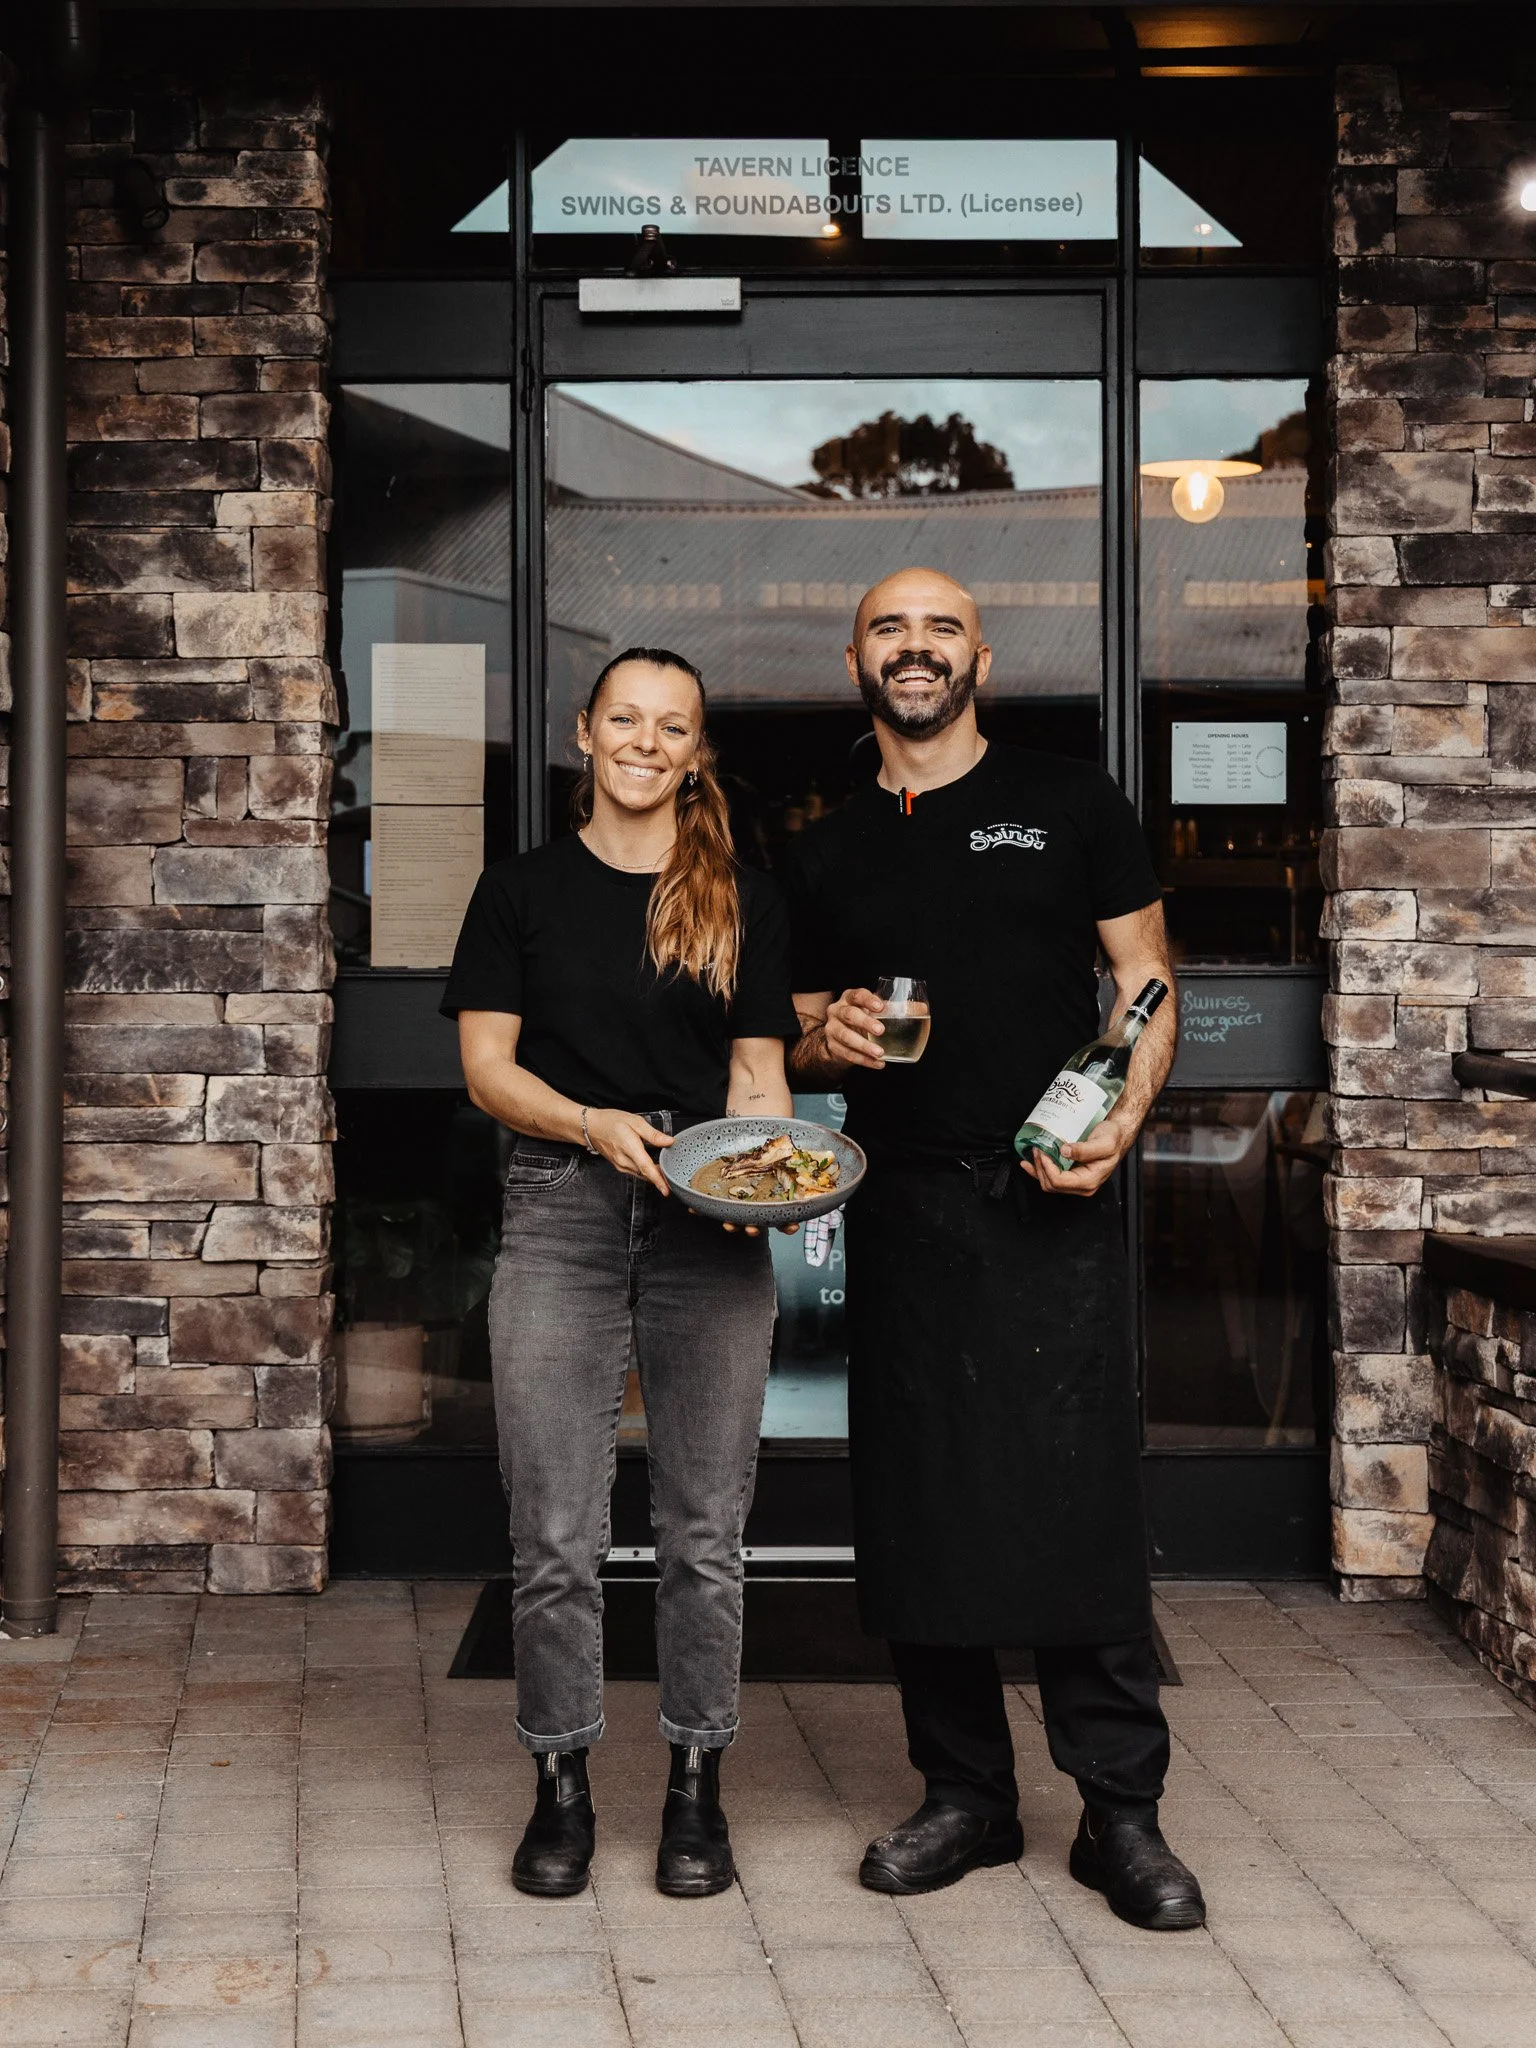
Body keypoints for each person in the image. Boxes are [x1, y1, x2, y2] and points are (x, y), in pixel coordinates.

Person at [779, 569, 1205, 1931]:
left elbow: (1146, 986)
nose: (917, 649)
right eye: (891, 629)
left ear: (981, 658)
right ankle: (965, 1794)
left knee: (1076, 1498)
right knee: (923, 1503)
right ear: (857, 657)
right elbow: (784, 1021)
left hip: (1052, 1196)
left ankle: (1120, 1814)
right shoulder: (825, 846)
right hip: (903, 1205)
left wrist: (1121, 1126)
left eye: (941, 628)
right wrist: (819, 1035)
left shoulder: (1070, 801)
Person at [443, 647, 799, 1902]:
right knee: (555, 1532)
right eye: (627, 719)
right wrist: (594, 1124)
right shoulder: (519, 891)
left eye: (675, 726)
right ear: (584, 734)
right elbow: (489, 1069)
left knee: (707, 1532)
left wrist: (770, 1172)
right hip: (560, 1207)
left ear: (695, 751)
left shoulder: (739, 896)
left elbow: (758, 1076)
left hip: (707, 1214)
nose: (649, 742)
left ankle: (696, 1788)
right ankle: (563, 1786)